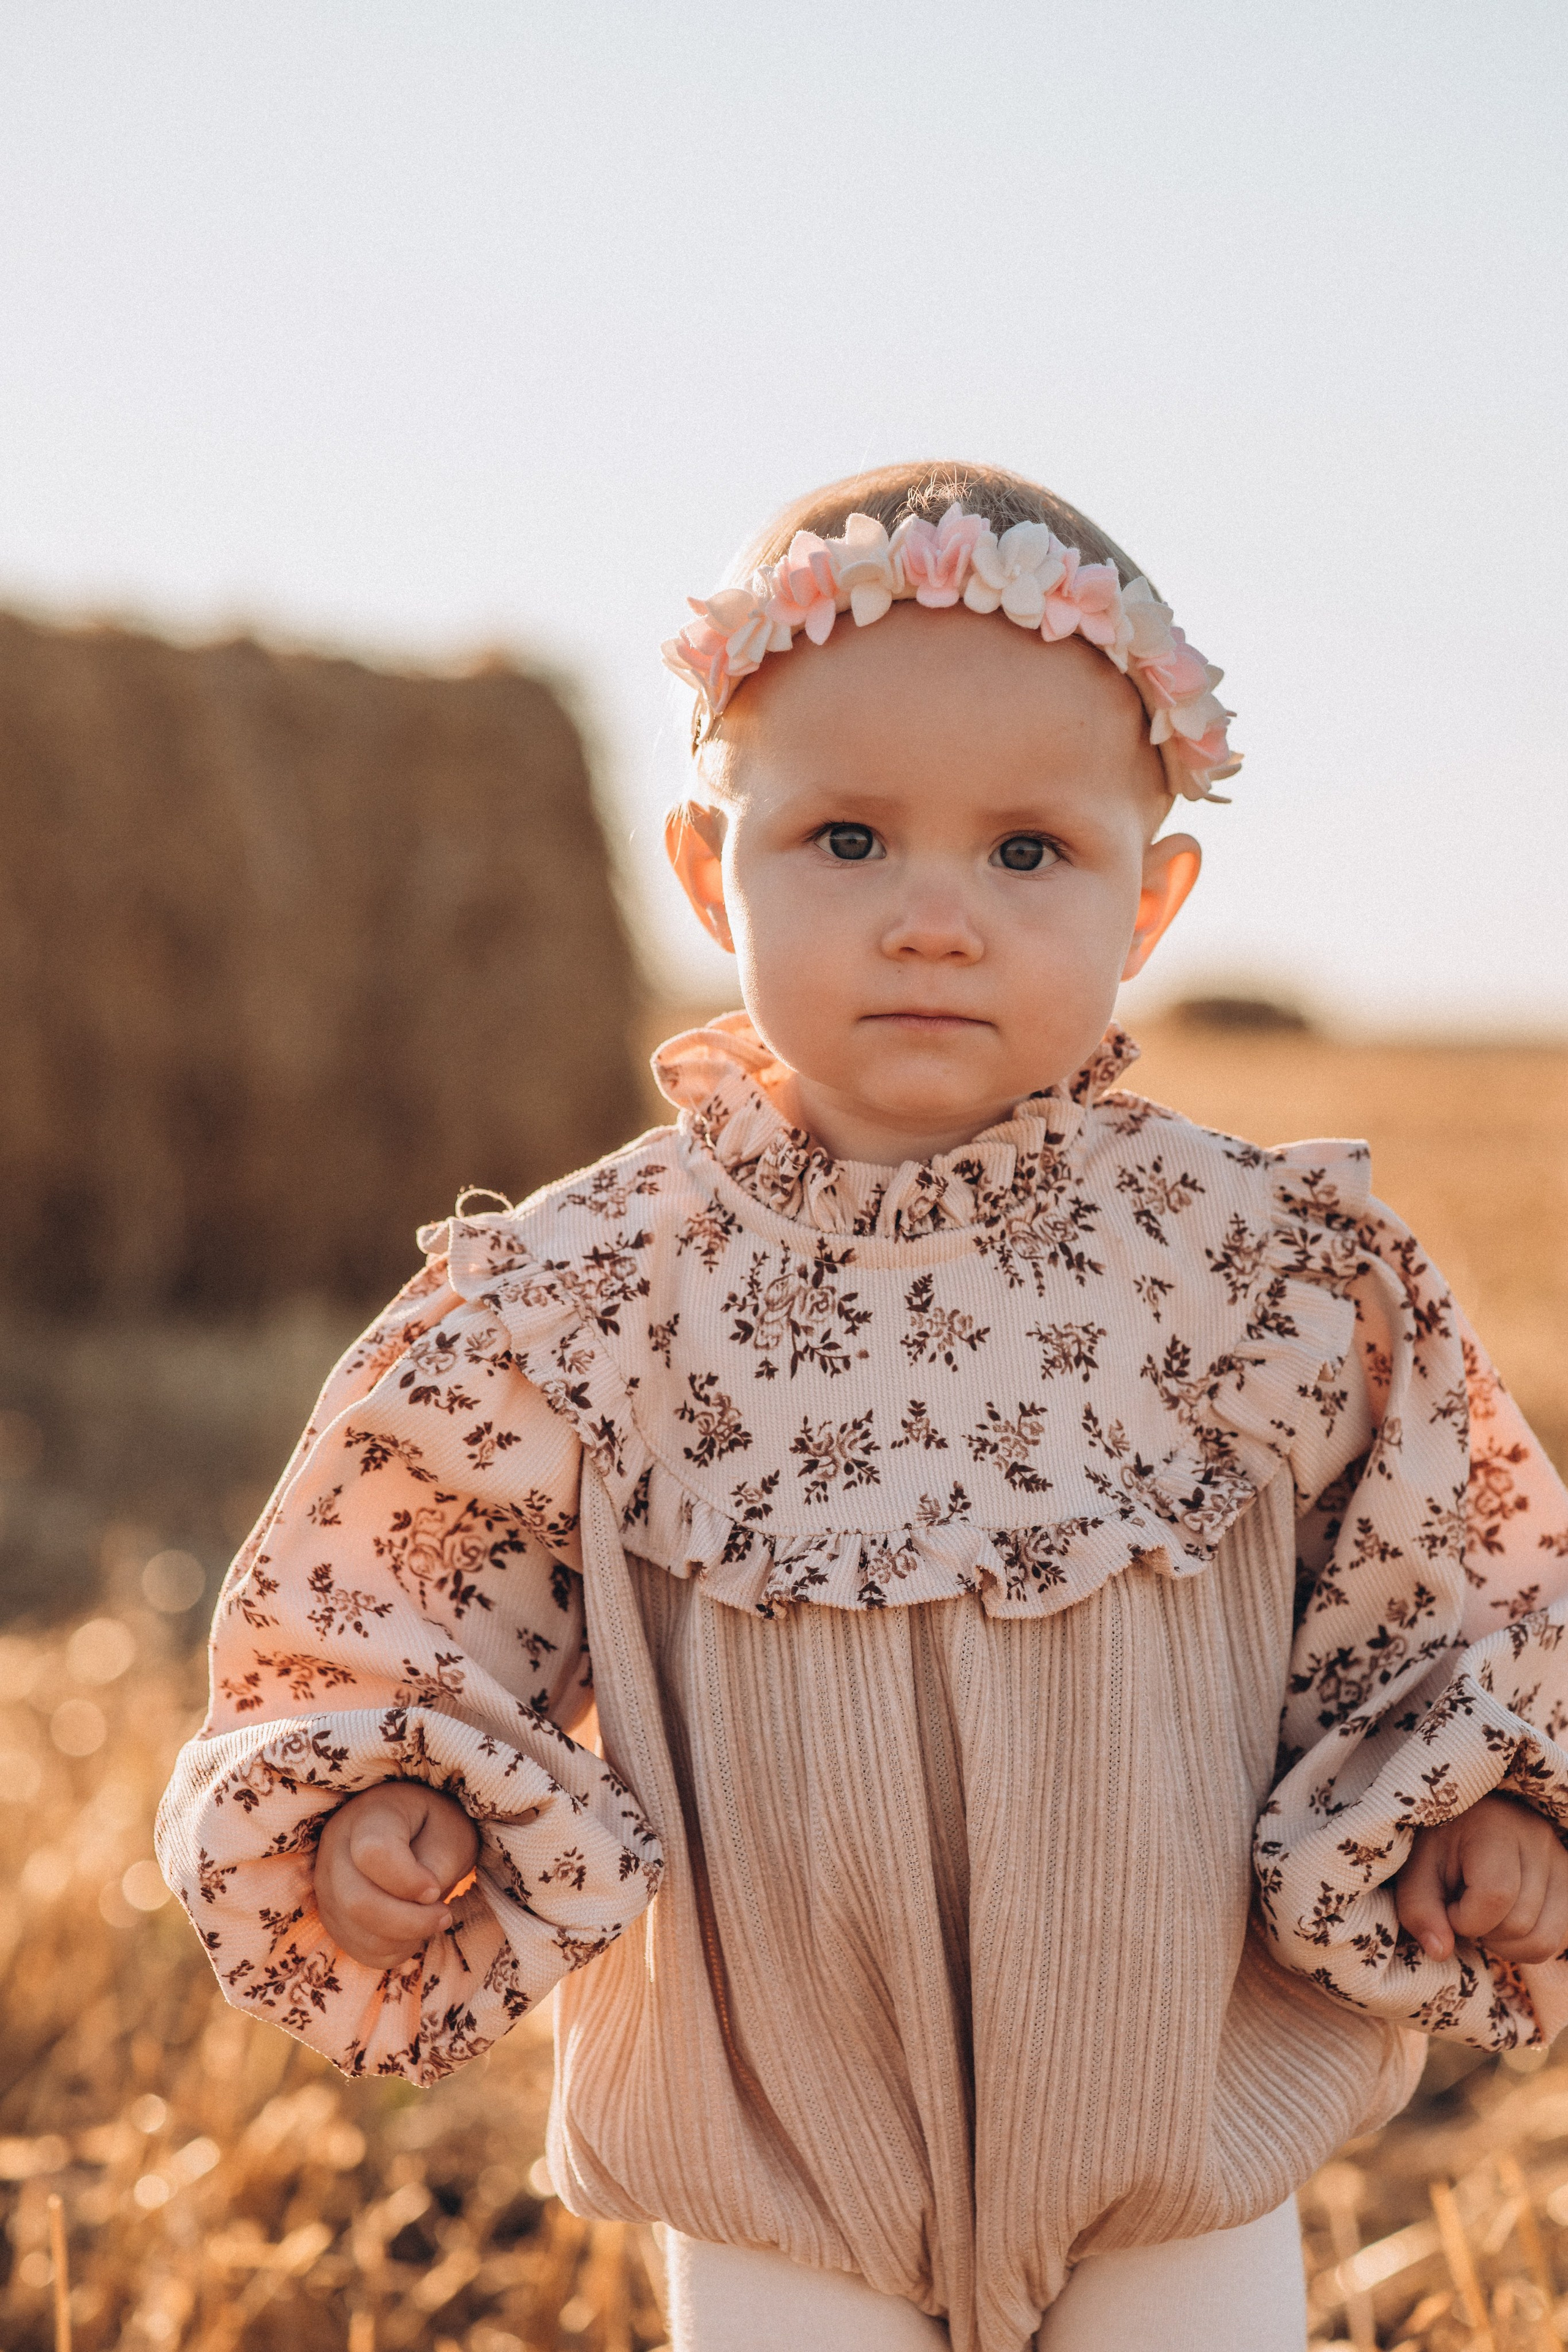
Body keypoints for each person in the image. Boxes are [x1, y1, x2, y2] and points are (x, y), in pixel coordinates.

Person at [157, 462, 1568, 2351]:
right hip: (770, 2134)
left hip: (1174, 2104)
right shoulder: (587, 1290)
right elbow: (406, 1572)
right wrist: (392, 1784)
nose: (932, 917)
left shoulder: (1270, 1272)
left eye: (1024, 854)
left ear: (1150, 901)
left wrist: (1480, 1796)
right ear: (698, 867)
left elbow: (1446, 1566)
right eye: (843, 841)